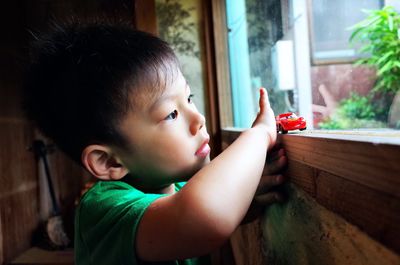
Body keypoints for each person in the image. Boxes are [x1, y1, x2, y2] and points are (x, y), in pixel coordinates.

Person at [23, 21, 287, 265]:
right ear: (109, 161)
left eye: (189, 97)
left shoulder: (181, 186)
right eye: (171, 114)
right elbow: (204, 218)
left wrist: (249, 197)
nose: (199, 119)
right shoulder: (103, 209)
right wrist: (259, 135)